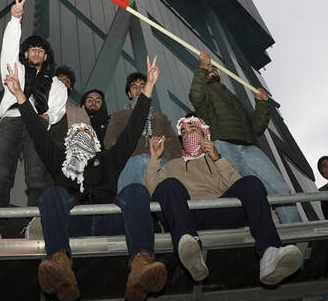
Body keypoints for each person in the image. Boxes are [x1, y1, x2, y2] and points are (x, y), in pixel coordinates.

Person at [7, 55, 168, 301]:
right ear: (69, 142)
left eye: (86, 133)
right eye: (76, 133)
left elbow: (133, 129)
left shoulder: (109, 159)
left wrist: (148, 89)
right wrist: (19, 94)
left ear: (95, 141)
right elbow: (38, 133)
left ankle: (141, 265)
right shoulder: (59, 161)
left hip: (109, 220)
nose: (81, 135)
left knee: (135, 190)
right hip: (73, 224)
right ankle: (60, 265)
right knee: (51, 194)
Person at [143, 115, 302, 286]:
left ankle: (270, 252)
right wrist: (154, 159)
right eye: (184, 132)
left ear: (204, 134)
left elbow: (239, 186)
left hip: (221, 211)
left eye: (193, 130)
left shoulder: (216, 158)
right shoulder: (172, 165)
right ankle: (189, 249)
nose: (188, 134)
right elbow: (153, 192)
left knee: (251, 182)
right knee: (169, 184)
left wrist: (217, 158)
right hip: (188, 217)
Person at [0, 0, 65, 240]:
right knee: (2, 174)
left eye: (40, 50)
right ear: (25, 54)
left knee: (35, 175)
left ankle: (33, 224)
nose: (36, 53)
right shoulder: (17, 71)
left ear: (46, 56)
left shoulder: (56, 83)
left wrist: (49, 117)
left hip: (37, 123)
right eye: (32, 49)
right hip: (12, 119)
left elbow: (58, 107)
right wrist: (15, 20)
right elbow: (8, 49)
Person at [189, 50, 298, 222]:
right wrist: (202, 68)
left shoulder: (234, 98)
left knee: (280, 187)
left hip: (249, 147)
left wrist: (262, 104)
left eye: (214, 69)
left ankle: (296, 234)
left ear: (220, 76)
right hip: (223, 146)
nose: (212, 70)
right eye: (209, 69)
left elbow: (255, 128)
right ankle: (268, 239)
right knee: (248, 194)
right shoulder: (204, 95)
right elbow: (195, 95)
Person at [104, 71, 181, 191]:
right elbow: (110, 141)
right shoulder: (119, 115)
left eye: (142, 86)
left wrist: (175, 163)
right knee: (131, 199)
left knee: (165, 200)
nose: (138, 89)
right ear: (129, 93)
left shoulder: (160, 117)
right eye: (134, 86)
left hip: (161, 162)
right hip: (130, 162)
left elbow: (174, 142)